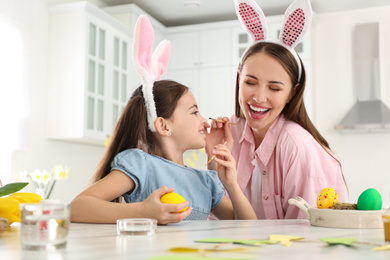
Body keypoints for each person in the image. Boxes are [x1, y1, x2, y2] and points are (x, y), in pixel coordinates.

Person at [70, 15, 256, 224]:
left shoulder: (205, 181)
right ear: (164, 126)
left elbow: (248, 227)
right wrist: (143, 212)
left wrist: (230, 183)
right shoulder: (141, 165)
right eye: (194, 112)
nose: (205, 121)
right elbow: (76, 208)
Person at [206, 0, 347, 219]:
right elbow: (219, 218)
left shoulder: (296, 147)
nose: (259, 97)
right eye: (250, 83)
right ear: (238, 79)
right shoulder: (230, 133)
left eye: (274, 87)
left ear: (292, 92)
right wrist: (213, 164)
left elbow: (308, 236)